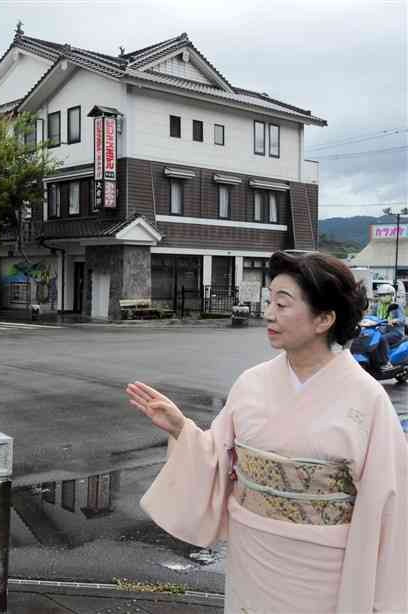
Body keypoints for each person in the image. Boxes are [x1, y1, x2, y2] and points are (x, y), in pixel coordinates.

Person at [127, 251, 407, 613]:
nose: (268, 313)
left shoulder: (367, 399)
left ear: (324, 318)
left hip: (323, 568)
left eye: (283, 303)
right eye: (269, 300)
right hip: (253, 556)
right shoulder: (251, 384)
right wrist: (182, 428)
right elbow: (217, 459)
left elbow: (390, 504)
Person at [372, 283, 405, 348]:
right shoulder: (377, 306)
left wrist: (395, 320)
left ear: (392, 295)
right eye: (380, 295)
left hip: (395, 332)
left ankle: (384, 357)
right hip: (381, 330)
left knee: (380, 339)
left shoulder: (396, 306)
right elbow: (371, 316)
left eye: (384, 295)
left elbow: (402, 319)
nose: (382, 297)